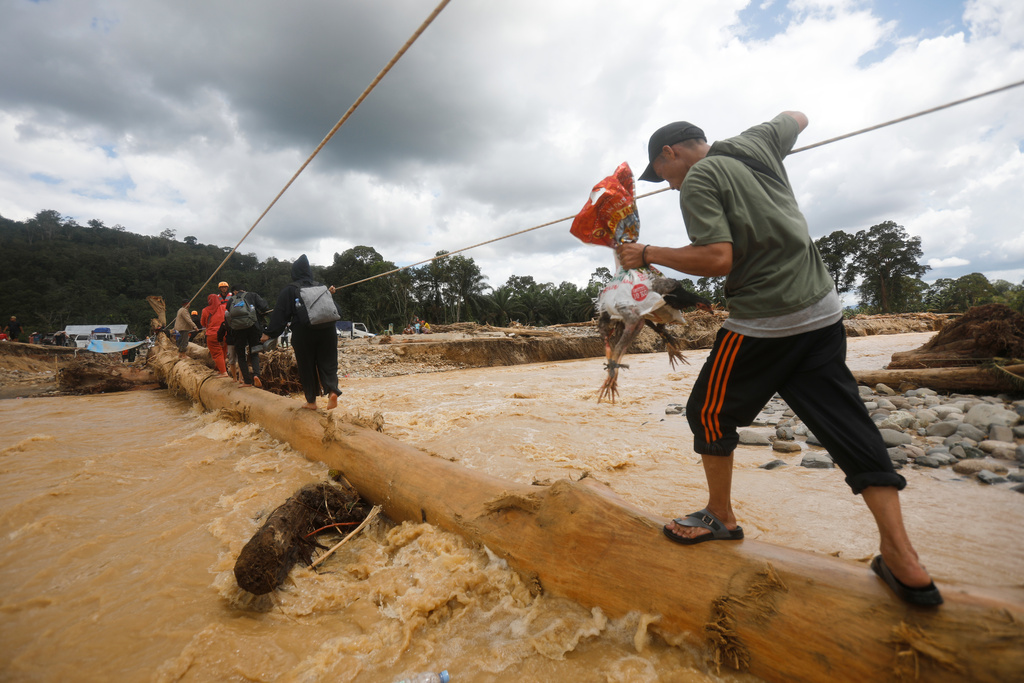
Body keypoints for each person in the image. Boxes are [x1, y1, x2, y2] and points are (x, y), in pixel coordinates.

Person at [617, 112, 942, 607]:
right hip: (823, 312)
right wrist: (777, 136)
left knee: (707, 411)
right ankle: (903, 558)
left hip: (768, 320)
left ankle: (720, 517)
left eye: (663, 174)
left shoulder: (699, 179)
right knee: (848, 426)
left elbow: (717, 259)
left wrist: (646, 254)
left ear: (671, 153)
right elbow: (797, 116)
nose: (667, 182)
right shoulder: (757, 142)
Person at [261, 254, 341, 410]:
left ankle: (311, 402)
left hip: (304, 332)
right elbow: (336, 309)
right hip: (328, 330)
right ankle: (332, 391)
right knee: (329, 362)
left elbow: (280, 315)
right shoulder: (321, 287)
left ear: (294, 272)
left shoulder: (290, 290)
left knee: (306, 365)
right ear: (309, 271)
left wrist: (269, 333)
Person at [223, 285, 269, 387]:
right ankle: (256, 375)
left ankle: (247, 381)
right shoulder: (252, 295)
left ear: (234, 292)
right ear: (244, 290)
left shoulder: (231, 300)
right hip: (253, 327)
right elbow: (265, 307)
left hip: (238, 330)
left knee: (241, 355)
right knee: (254, 352)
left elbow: (228, 315)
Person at [200, 293, 229, 376]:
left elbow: (203, 323)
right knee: (223, 351)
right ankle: (219, 369)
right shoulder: (224, 307)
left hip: (212, 334)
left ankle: (223, 372)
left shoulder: (205, 310)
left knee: (217, 353)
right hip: (224, 333)